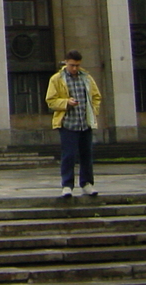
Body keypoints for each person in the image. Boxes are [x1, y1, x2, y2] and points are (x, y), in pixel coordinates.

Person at [45, 50, 103, 198]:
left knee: (86, 155)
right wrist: (66, 102)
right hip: (68, 124)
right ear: (66, 63)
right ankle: (67, 185)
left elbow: (96, 96)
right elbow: (50, 101)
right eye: (72, 65)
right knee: (69, 155)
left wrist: (94, 110)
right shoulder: (57, 79)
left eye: (77, 65)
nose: (75, 69)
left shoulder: (86, 78)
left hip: (85, 123)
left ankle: (87, 184)